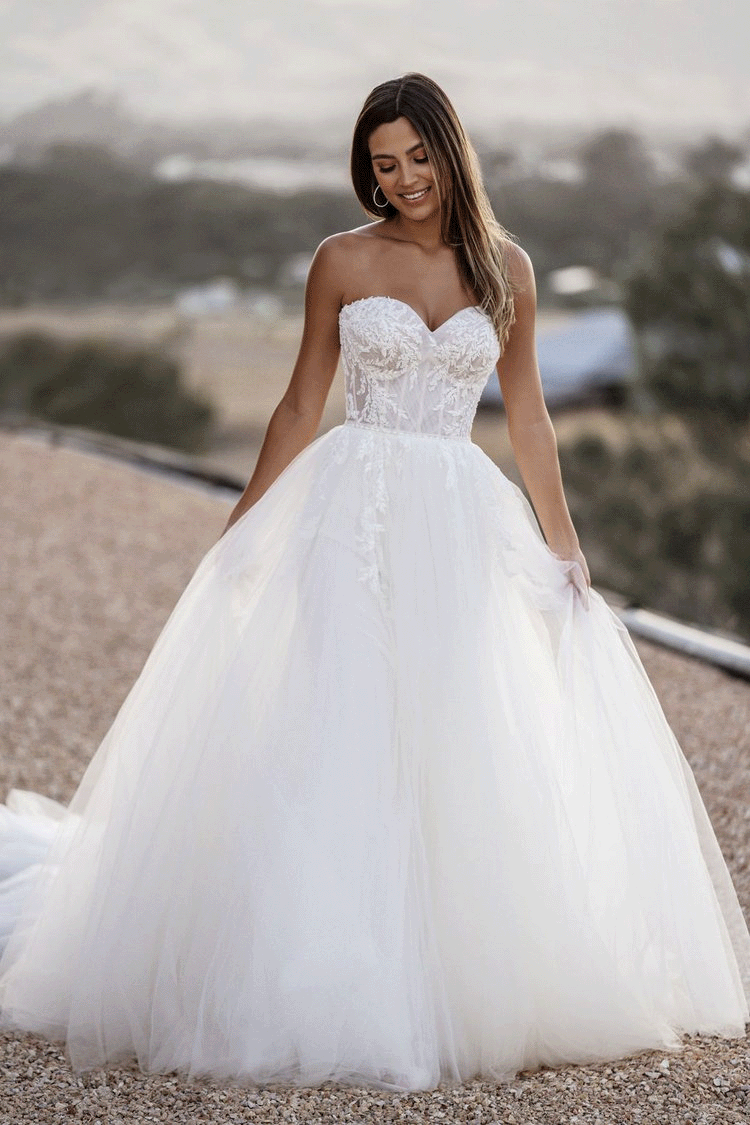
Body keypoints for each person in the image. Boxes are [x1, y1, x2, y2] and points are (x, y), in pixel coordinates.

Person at [0, 72, 749, 1094]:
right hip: (350, 511)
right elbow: (302, 402)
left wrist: (568, 551)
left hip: (460, 518)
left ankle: (451, 965)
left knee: (454, 726)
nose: (402, 182)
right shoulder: (340, 261)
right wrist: (241, 528)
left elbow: (527, 420)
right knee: (341, 721)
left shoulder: (508, 268)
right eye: (383, 165)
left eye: (418, 159)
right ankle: (323, 969)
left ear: (452, 151)